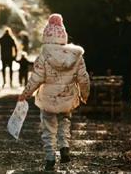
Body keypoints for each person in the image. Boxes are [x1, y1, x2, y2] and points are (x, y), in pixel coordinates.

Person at [18, 13, 90, 171]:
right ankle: (64, 146)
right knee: (65, 121)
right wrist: (84, 95)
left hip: (48, 99)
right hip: (67, 97)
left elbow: (36, 78)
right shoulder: (75, 55)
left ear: (46, 35)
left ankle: (50, 157)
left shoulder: (44, 55)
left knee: (48, 128)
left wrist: (25, 94)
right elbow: (83, 78)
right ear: (63, 35)